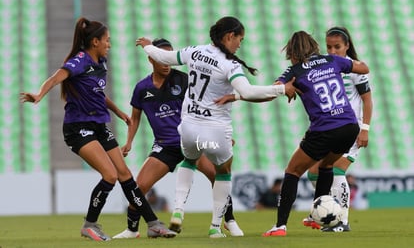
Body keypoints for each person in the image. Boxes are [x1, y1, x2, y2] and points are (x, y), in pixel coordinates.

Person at [136, 16, 297, 238]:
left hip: (189, 128)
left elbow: (162, 56)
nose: (240, 44)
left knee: (189, 161)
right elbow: (249, 92)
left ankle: (178, 210)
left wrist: (147, 46)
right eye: (240, 39)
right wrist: (281, 89)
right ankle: (215, 227)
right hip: (216, 130)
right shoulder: (229, 65)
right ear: (229, 36)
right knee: (223, 172)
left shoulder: (194, 51)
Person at [20, 17, 176, 241]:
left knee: (125, 175)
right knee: (110, 175)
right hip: (78, 128)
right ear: (95, 42)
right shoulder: (80, 60)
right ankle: (89, 225)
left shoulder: (100, 64)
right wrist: (39, 94)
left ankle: (153, 224)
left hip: (99, 126)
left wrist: (119, 112)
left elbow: (97, 94)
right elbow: (57, 77)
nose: (109, 45)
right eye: (107, 40)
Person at [112, 38, 243, 238]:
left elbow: (207, 104)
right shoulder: (141, 88)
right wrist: (129, 141)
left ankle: (229, 220)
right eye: (162, 59)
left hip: (193, 140)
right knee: (139, 187)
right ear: (151, 59)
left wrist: (221, 133)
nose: (167, 64)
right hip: (166, 146)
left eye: (169, 58)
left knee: (217, 176)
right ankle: (132, 229)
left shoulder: (184, 79)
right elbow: (135, 118)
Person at [262, 30, 369, 237]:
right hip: (349, 127)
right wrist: (341, 65)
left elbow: (274, 90)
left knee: (292, 171)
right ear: (313, 46)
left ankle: (280, 226)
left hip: (324, 128)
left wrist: (288, 86)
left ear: (292, 51)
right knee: (326, 165)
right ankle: (315, 214)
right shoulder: (332, 60)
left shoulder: (294, 70)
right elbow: (364, 68)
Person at [303, 26, 372, 232]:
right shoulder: (326, 65)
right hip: (331, 126)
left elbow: (367, 101)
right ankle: (325, 212)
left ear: (347, 46)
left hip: (352, 126)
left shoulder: (354, 69)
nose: (333, 51)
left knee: (337, 169)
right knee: (314, 172)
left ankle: (342, 220)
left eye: (337, 47)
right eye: (329, 47)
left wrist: (365, 129)